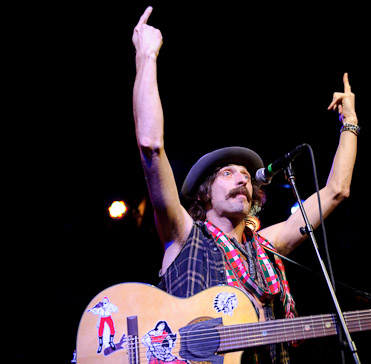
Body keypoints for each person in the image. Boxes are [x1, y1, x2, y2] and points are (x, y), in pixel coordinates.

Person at [132, 6, 358, 364]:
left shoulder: (266, 247)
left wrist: (350, 123)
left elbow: (336, 191)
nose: (241, 178)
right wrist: (146, 56)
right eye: (227, 173)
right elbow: (150, 146)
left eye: (245, 175)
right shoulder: (183, 234)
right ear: (205, 192)